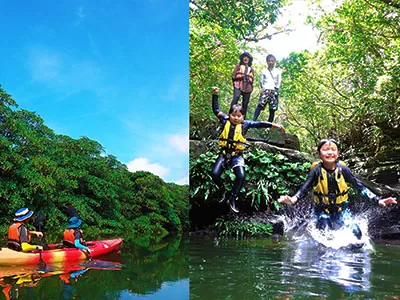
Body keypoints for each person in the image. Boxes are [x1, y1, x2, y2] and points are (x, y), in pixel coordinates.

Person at [278, 138, 397, 239]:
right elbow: (305, 188)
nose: (329, 152)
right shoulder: (316, 171)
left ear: (338, 153)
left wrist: (378, 200)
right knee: (324, 231)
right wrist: (293, 199)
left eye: (333, 150)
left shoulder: (344, 170)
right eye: (325, 150)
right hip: (322, 211)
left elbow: (359, 187)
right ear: (319, 154)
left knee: (357, 234)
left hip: (342, 210)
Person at [212, 87, 284, 213]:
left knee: (241, 176)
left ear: (243, 116)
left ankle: (233, 198)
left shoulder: (245, 124)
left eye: (238, 116)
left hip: (237, 155)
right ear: (229, 115)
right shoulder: (224, 120)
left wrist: (274, 125)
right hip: (224, 153)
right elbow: (216, 109)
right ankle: (222, 190)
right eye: (233, 115)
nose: (235, 118)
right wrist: (215, 95)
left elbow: (260, 124)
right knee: (214, 174)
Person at [253, 54, 282, 122]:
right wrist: (264, 88)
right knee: (260, 105)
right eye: (269, 61)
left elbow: (279, 81)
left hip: (274, 90)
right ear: (267, 62)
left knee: (272, 109)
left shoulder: (278, 71)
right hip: (265, 90)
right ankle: (253, 120)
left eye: (272, 61)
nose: (271, 62)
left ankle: (269, 125)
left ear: (275, 62)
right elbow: (261, 81)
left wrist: (276, 88)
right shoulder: (264, 71)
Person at [231, 52, 254, 118]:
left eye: (247, 57)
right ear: (242, 58)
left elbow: (252, 80)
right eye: (244, 57)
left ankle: (243, 118)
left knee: (245, 103)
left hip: (247, 87)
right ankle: (230, 114)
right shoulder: (238, 66)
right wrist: (237, 79)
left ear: (249, 59)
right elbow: (233, 76)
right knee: (236, 98)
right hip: (238, 85)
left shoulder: (251, 69)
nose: (245, 58)